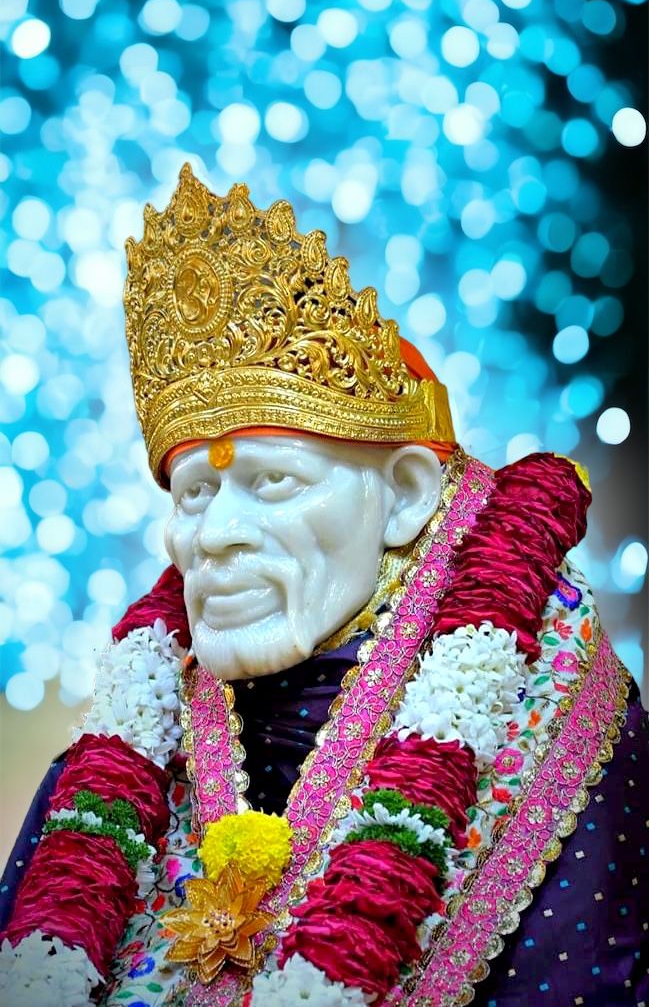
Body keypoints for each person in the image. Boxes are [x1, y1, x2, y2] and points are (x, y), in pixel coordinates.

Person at [1, 167, 647, 1007]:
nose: (214, 532)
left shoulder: (554, 724)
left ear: (406, 496)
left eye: (272, 481)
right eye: (193, 492)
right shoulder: (126, 747)